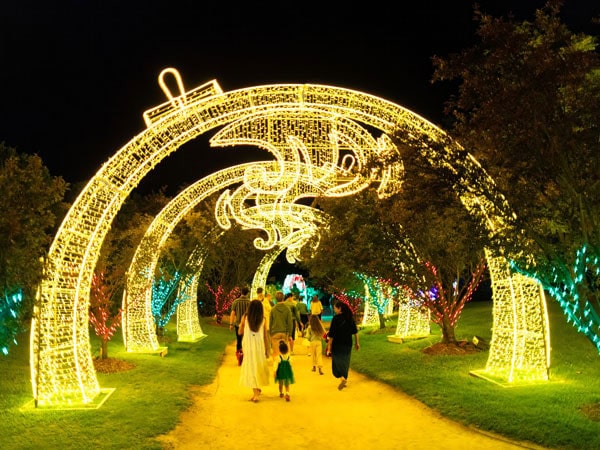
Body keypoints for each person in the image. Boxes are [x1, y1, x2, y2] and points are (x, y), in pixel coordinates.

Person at [238, 300, 270, 402]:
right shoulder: (263, 319)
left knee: (251, 367)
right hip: (259, 346)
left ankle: (256, 393)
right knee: (257, 367)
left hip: (248, 345)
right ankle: (256, 390)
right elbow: (265, 336)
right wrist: (266, 349)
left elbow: (240, 332)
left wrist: (242, 326)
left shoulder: (245, 318)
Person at [326, 301, 360, 390]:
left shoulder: (336, 318)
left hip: (337, 344)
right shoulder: (350, 318)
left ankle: (342, 378)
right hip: (348, 344)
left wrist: (329, 347)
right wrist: (357, 343)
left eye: (335, 308)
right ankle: (344, 378)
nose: (334, 309)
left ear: (340, 308)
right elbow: (355, 332)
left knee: (337, 362)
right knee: (345, 361)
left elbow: (331, 334)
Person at [269, 291, 293, 361]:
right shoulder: (287, 309)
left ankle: (277, 368)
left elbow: (270, 322)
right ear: (283, 298)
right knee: (284, 353)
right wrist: (290, 335)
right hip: (284, 333)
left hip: (275, 333)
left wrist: (270, 333)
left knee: (276, 353)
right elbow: (289, 323)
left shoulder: (273, 309)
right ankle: (284, 366)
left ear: (276, 299)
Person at [229, 286, 251, 365]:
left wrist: (231, 324)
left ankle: (239, 356)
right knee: (246, 341)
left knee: (239, 341)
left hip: (238, 324)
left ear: (241, 292)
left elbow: (232, 313)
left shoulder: (236, 301)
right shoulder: (249, 302)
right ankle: (245, 356)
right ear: (247, 293)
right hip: (247, 325)